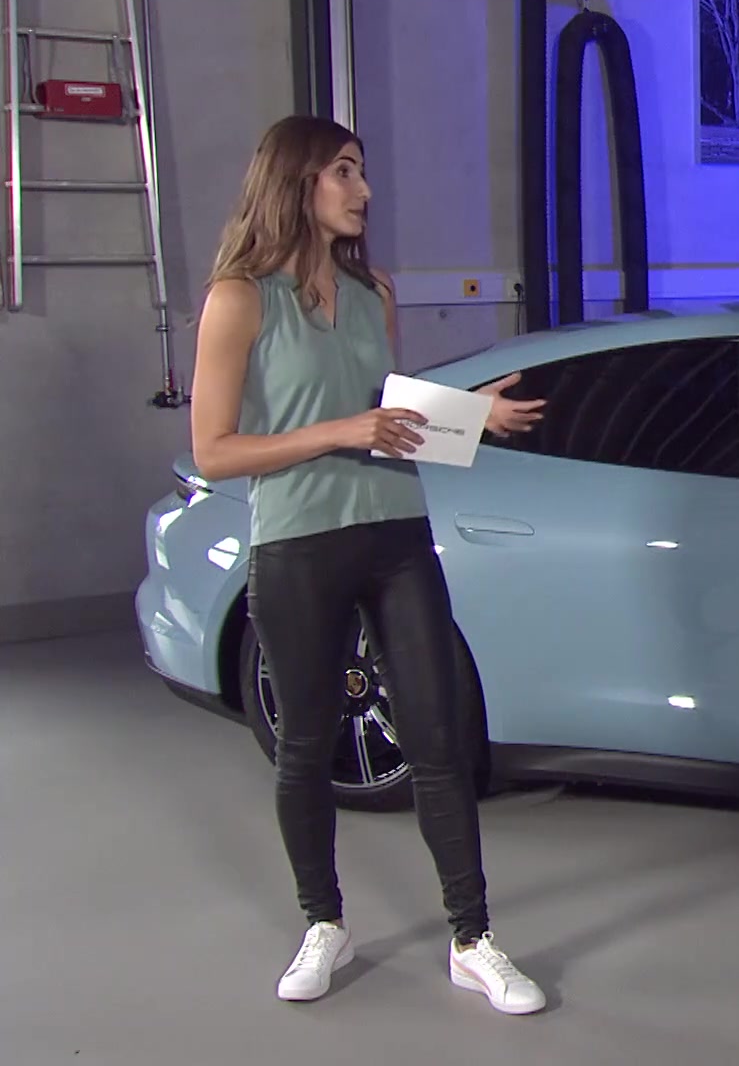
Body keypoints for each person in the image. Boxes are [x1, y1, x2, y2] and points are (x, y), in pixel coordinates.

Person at [189, 115, 549, 1014]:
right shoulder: (238, 298)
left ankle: (473, 940)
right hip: (297, 544)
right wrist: (341, 431)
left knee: (438, 739)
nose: (365, 191)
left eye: (362, 172)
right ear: (297, 181)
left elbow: (384, 419)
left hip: (395, 536)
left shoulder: (372, 292)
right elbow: (214, 450)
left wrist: (467, 415)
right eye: (345, 172)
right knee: (305, 748)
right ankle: (324, 923)